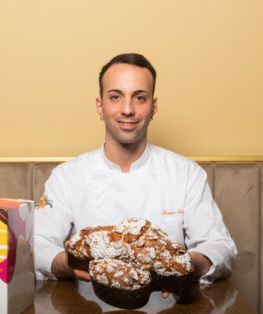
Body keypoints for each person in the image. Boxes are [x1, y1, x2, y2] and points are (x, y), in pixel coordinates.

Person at [34, 53, 237, 288]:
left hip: (168, 312)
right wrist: (69, 263)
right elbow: (37, 243)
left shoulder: (187, 174)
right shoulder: (66, 177)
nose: (127, 109)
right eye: (115, 97)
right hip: (87, 310)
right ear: (100, 107)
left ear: (153, 107)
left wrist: (185, 265)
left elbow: (221, 246)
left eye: (140, 98)